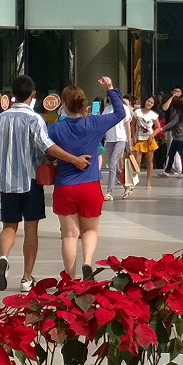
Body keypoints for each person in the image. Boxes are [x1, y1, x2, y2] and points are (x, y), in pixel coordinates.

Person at [44, 78, 125, 280]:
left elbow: (48, 154)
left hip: (65, 187)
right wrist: (110, 89)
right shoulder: (94, 123)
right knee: (90, 231)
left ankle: (69, 278)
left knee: (69, 235)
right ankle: (87, 262)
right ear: (83, 104)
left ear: (63, 104)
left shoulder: (55, 129)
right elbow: (120, 113)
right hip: (90, 186)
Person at [0, 76, 51, 291]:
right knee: (31, 228)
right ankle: (26, 278)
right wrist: (71, 158)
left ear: (12, 95)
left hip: (6, 182)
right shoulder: (34, 119)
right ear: (33, 95)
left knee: (9, 226)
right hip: (30, 181)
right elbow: (46, 146)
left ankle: (4, 257)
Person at [125, 98, 158, 191]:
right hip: (139, 139)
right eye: (148, 101)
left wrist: (152, 135)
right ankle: (134, 182)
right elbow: (132, 125)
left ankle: (149, 182)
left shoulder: (153, 115)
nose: (149, 103)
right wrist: (133, 136)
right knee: (136, 162)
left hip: (149, 140)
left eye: (152, 102)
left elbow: (158, 127)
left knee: (149, 161)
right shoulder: (137, 112)